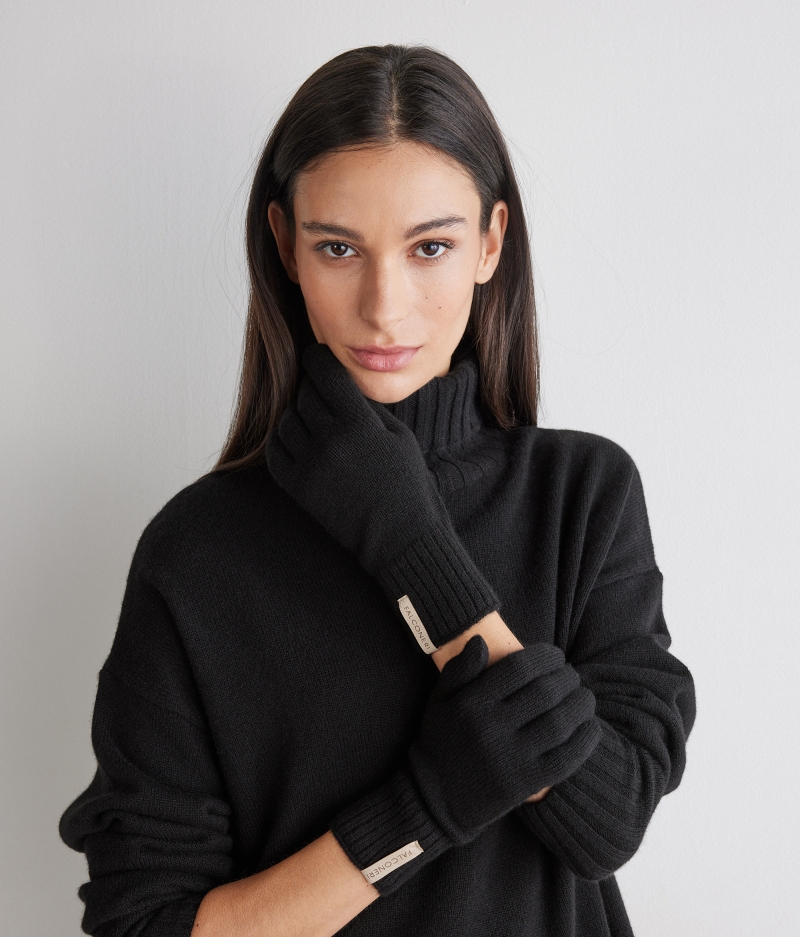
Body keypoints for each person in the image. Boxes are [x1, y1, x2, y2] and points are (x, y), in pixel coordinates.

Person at [59, 44, 696, 937]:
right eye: (338, 247)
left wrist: (406, 539)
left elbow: (607, 819)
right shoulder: (196, 550)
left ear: (491, 243)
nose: (384, 306)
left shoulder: (583, 497)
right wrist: (426, 807)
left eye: (431, 246)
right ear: (286, 245)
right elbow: (145, 924)